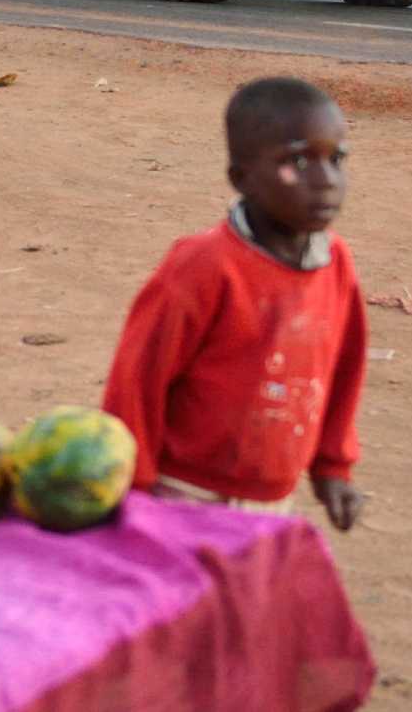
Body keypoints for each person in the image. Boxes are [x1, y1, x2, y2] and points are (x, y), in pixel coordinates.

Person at [101, 76, 367, 531]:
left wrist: (332, 467)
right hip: (183, 497)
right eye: (298, 161)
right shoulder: (204, 268)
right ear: (241, 178)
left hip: (272, 503)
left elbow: (343, 366)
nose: (325, 181)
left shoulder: (334, 263)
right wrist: (132, 493)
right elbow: (138, 379)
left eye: (336, 159)